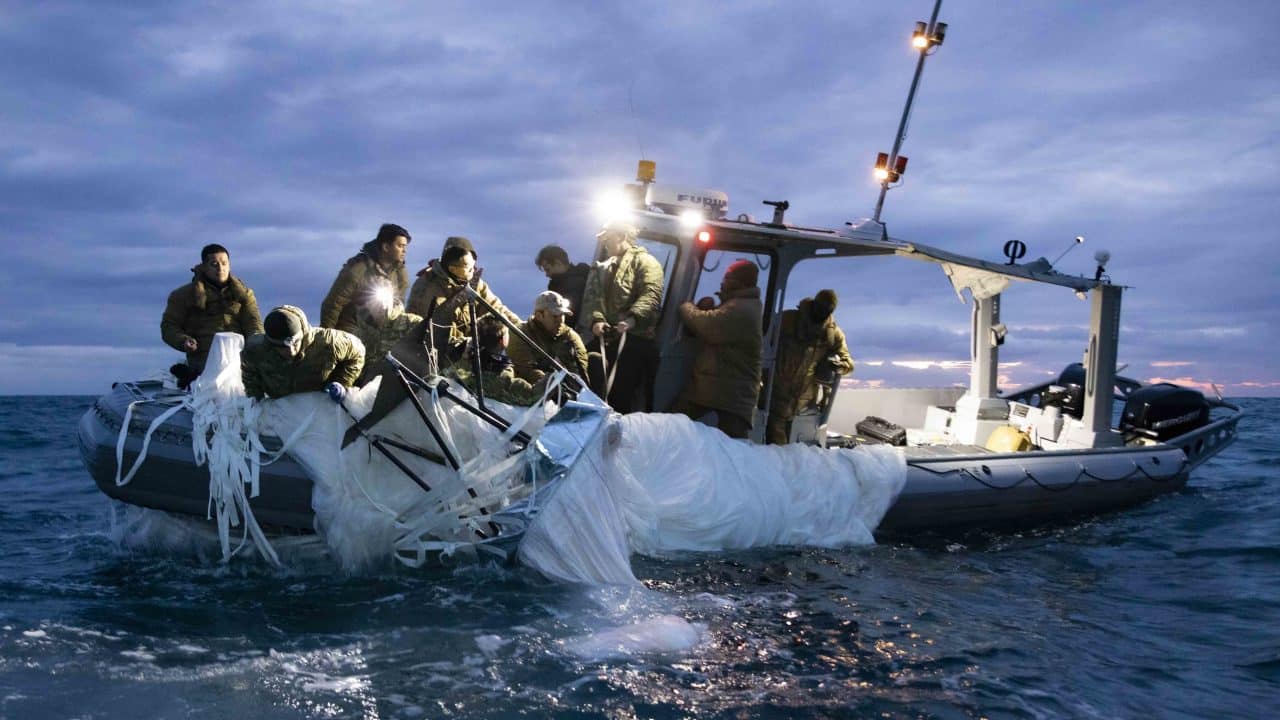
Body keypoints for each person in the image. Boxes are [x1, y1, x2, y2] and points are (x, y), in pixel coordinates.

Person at [669, 260, 763, 439]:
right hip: (721, 388)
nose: (722, 282)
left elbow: (707, 326)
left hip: (732, 394)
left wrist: (686, 306)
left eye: (727, 278)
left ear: (739, 282)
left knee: (731, 445)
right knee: (675, 421)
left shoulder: (743, 309)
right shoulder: (738, 304)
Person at [581, 221, 664, 413]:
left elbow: (651, 294)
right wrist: (597, 320)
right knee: (586, 375)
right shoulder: (603, 267)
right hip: (606, 338)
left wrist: (632, 319)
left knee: (621, 395)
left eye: (607, 238)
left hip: (634, 340)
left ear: (621, 236)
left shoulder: (647, 263)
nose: (604, 243)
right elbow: (593, 297)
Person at [405, 236, 521, 363]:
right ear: (452, 269)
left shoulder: (474, 283)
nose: (473, 270)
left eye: (474, 265)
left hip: (468, 350)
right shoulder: (427, 289)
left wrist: (520, 328)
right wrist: (473, 345)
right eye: (468, 267)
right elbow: (438, 333)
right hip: (434, 356)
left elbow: (496, 308)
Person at [161, 243, 263, 384]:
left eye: (224, 263)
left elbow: (254, 324)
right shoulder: (183, 295)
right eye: (214, 264)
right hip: (203, 364)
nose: (220, 268)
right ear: (203, 266)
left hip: (239, 363)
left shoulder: (244, 295)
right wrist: (183, 341)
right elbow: (169, 326)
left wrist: (257, 345)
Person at [766, 289, 855, 444]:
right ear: (814, 304)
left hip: (803, 404)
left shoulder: (833, 334)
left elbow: (848, 363)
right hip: (774, 395)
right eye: (820, 307)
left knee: (796, 448)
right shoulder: (787, 320)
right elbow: (763, 342)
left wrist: (838, 366)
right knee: (775, 445)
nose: (822, 312)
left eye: (827, 310)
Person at [241, 305, 365, 401]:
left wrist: (341, 382)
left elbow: (358, 352)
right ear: (271, 344)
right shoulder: (255, 351)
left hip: (323, 405)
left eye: (295, 343)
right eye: (283, 348)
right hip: (282, 410)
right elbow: (249, 373)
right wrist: (256, 399)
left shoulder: (329, 342)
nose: (291, 351)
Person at [319, 223, 411, 333]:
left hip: (382, 333)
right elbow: (333, 304)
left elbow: (398, 306)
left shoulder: (400, 273)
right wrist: (326, 336)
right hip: (351, 332)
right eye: (400, 246)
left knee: (413, 323)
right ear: (386, 247)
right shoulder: (357, 270)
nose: (404, 251)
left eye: (405, 246)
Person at [447, 315, 548, 407]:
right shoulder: (499, 378)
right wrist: (551, 376)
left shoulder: (461, 357)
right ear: (502, 341)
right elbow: (532, 396)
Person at [507, 291, 589, 384]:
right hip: (534, 388)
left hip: (568, 386)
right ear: (539, 315)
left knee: (595, 359)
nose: (560, 320)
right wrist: (553, 384)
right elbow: (525, 368)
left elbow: (582, 367)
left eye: (562, 314)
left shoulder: (570, 336)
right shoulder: (520, 334)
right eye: (555, 316)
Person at [351, 293, 423, 387]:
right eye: (369, 301)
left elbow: (423, 356)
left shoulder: (411, 322)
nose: (377, 305)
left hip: (408, 384)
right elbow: (354, 367)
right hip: (371, 389)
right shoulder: (359, 336)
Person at [534, 244, 591, 328]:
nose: (547, 274)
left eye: (547, 269)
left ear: (558, 263)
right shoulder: (556, 285)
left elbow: (568, 316)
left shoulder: (577, 281)